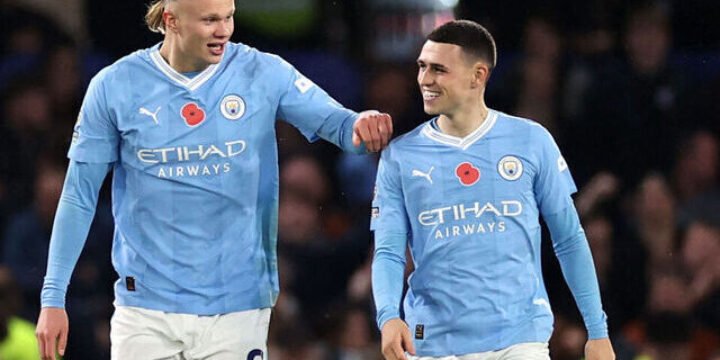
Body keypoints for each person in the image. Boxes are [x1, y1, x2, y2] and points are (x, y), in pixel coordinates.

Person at [35, 0, 393, 359]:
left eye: (228, 18)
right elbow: (79, 195)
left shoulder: (261, 73)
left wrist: (362, 125)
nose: (223, 30)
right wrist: (53, 297)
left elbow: (339, 125)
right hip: (145, 312)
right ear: (171, 20)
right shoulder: (114, 86)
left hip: (237, 310)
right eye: (209, 20)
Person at [370, 20, 615, 360]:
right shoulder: (399, 156)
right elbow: (389, 252)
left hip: (519, 342)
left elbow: (569, 238)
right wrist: (388, 317)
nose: (425, 79)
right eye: (422, 67)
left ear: (478, 75)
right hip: (433, 344)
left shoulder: (531, 141)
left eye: (439, 70)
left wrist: (597, 331)